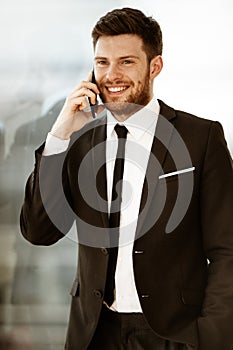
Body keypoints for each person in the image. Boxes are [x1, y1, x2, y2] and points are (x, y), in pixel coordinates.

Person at [20, 7, 233, 350]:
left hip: (174, 335)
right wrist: (59, 134)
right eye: (102, 62)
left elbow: (227, 251)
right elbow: (38, 231)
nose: (111, 75)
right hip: (93, 333)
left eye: (126, 62)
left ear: (155, 67)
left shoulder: (201, 138)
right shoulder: (78, 141)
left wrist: (212, 336)